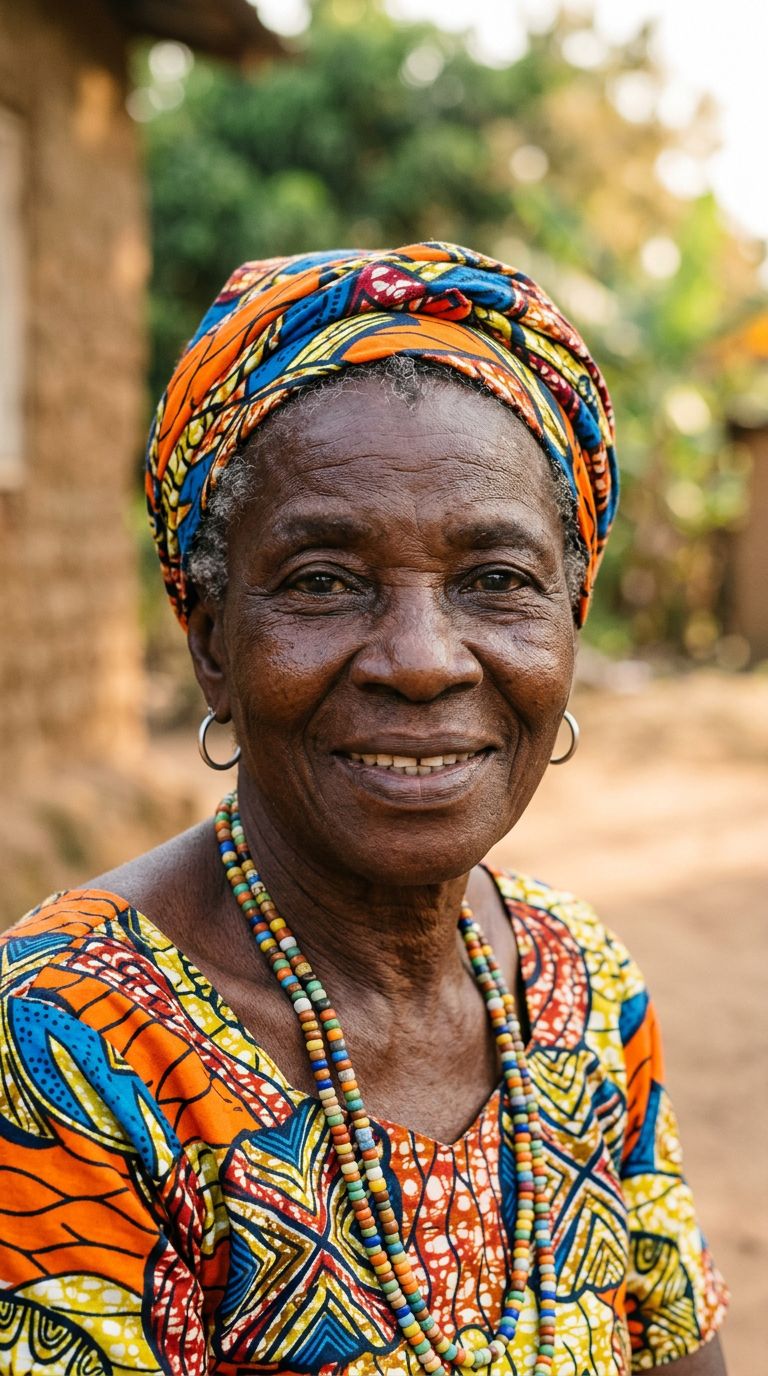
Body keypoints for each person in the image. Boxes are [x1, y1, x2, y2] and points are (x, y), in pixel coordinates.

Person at [0, 243, 727, 1376]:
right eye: (323, 580)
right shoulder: (74, 1045)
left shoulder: (580, 985)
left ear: (571, 623)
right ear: (209, 641)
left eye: (496, 579)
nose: (424, 661)